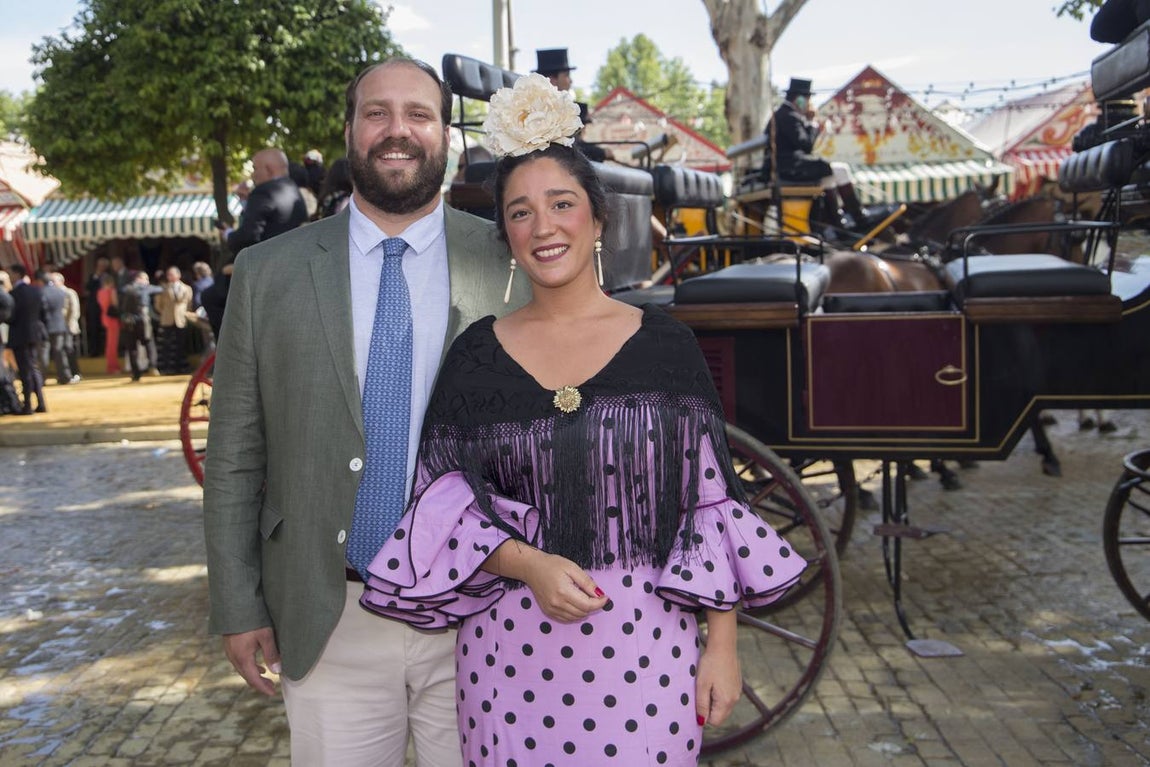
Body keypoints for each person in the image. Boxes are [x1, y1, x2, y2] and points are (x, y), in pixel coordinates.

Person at [360, 73, 806, 766]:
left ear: (597, 220)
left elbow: (709, 503)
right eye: (519, 212)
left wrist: (722, 643)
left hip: (649, 652)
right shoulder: (476, 355)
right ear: (504, 235)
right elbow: (439, 505)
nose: (543, 227)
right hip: (508, 657)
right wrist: (527, 563)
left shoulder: (667, 348)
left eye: (561, 204)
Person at [202, 57, 530, 767]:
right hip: (328, 611)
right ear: (350, 130)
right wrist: (237, 601)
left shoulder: (509, 262)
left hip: (484, 613)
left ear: (445, 133)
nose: (397, 131)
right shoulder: (269, 274)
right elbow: (233, 451)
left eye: (418, 114)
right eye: (376, 112)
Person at [762, 77, 870, 230]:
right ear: (799, 100)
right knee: (841, 170)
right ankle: (859, 219)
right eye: (807, 98)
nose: (808, 103)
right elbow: (806, 145)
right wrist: (814, 125)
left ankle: (838, 223)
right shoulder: (788, 116)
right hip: (790, 167)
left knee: (829, 177)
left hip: (786, 166)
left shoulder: (782, 115)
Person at [223, 148, 310, 257]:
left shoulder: (263, 192)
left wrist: (228, 234)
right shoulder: (293, 188)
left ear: (268, 169)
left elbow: (248, 237)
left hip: (271, 265)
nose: (253, 175)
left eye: (255, 169)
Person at [6, 263, 48, 414]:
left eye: (10, 273)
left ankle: (28, 405)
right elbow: (43, 313)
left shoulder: (14, 294)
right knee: (33, 368)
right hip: (35, 334)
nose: (9, 277)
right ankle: (41, 403)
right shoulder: (35, 291)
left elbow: (10, 316)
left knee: (25, 371)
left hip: (20, 335)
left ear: (17, 274)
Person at [119, 271, 159, 382]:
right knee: (149, 343)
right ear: (140, 278)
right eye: (146, 279)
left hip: (128, 322)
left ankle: (136, 374)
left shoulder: (125, 289)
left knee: (132, 348)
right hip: (142, 320)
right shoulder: (145, 288)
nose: (147, 282)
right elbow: (159, 289)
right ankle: (152, 366)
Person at [152, 265, 193, 374]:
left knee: (181, 344)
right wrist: (165, 312)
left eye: (172, 274)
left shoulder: (187, 288)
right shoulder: (163, 288)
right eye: (168, 275)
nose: (170, 276)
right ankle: (166, 368)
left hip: (181, 319)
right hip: (167, 319)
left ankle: (181, 367)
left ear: (178, 275)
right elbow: (158, 304)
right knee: (167, 344)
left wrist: (185, 314)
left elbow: (189, 304)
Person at [37, 269, 73, 385]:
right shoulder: (60, 292)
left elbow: (40, 310)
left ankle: (41, 378)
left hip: (45, 326)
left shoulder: (40, 293)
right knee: (59, 352)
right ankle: (65, 376)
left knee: (44, 353)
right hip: (59, 325)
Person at [51, 272, 83, 383]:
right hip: (59, 326)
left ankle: (75, 372)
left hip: (68, 326)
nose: (52, 284)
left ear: (61, 281)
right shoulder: (55, 294)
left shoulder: (69, 292)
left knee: (69, 349)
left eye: (54, 281)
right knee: (61, 350)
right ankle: (66, 373)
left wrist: (70, 325)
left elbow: (75, 310)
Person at [95, 273, 123, 375]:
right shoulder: (112, 291)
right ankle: (113, 366)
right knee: (113, 343)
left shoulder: (99, 292)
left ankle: (111, 365)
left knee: (109, 343)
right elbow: (115, 304)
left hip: (105, 317)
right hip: (112, 318)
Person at [85, 255, 110, 357]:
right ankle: (94, 351)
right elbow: (88, 287)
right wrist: (96, 276)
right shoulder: (93, 276)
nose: (101, 267)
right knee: (93, 328)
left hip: (105, 307)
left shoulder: (108, 277)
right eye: (99, 265)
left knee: (104, 330)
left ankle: (104, 350)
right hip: (93, 307)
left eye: (103, 266)